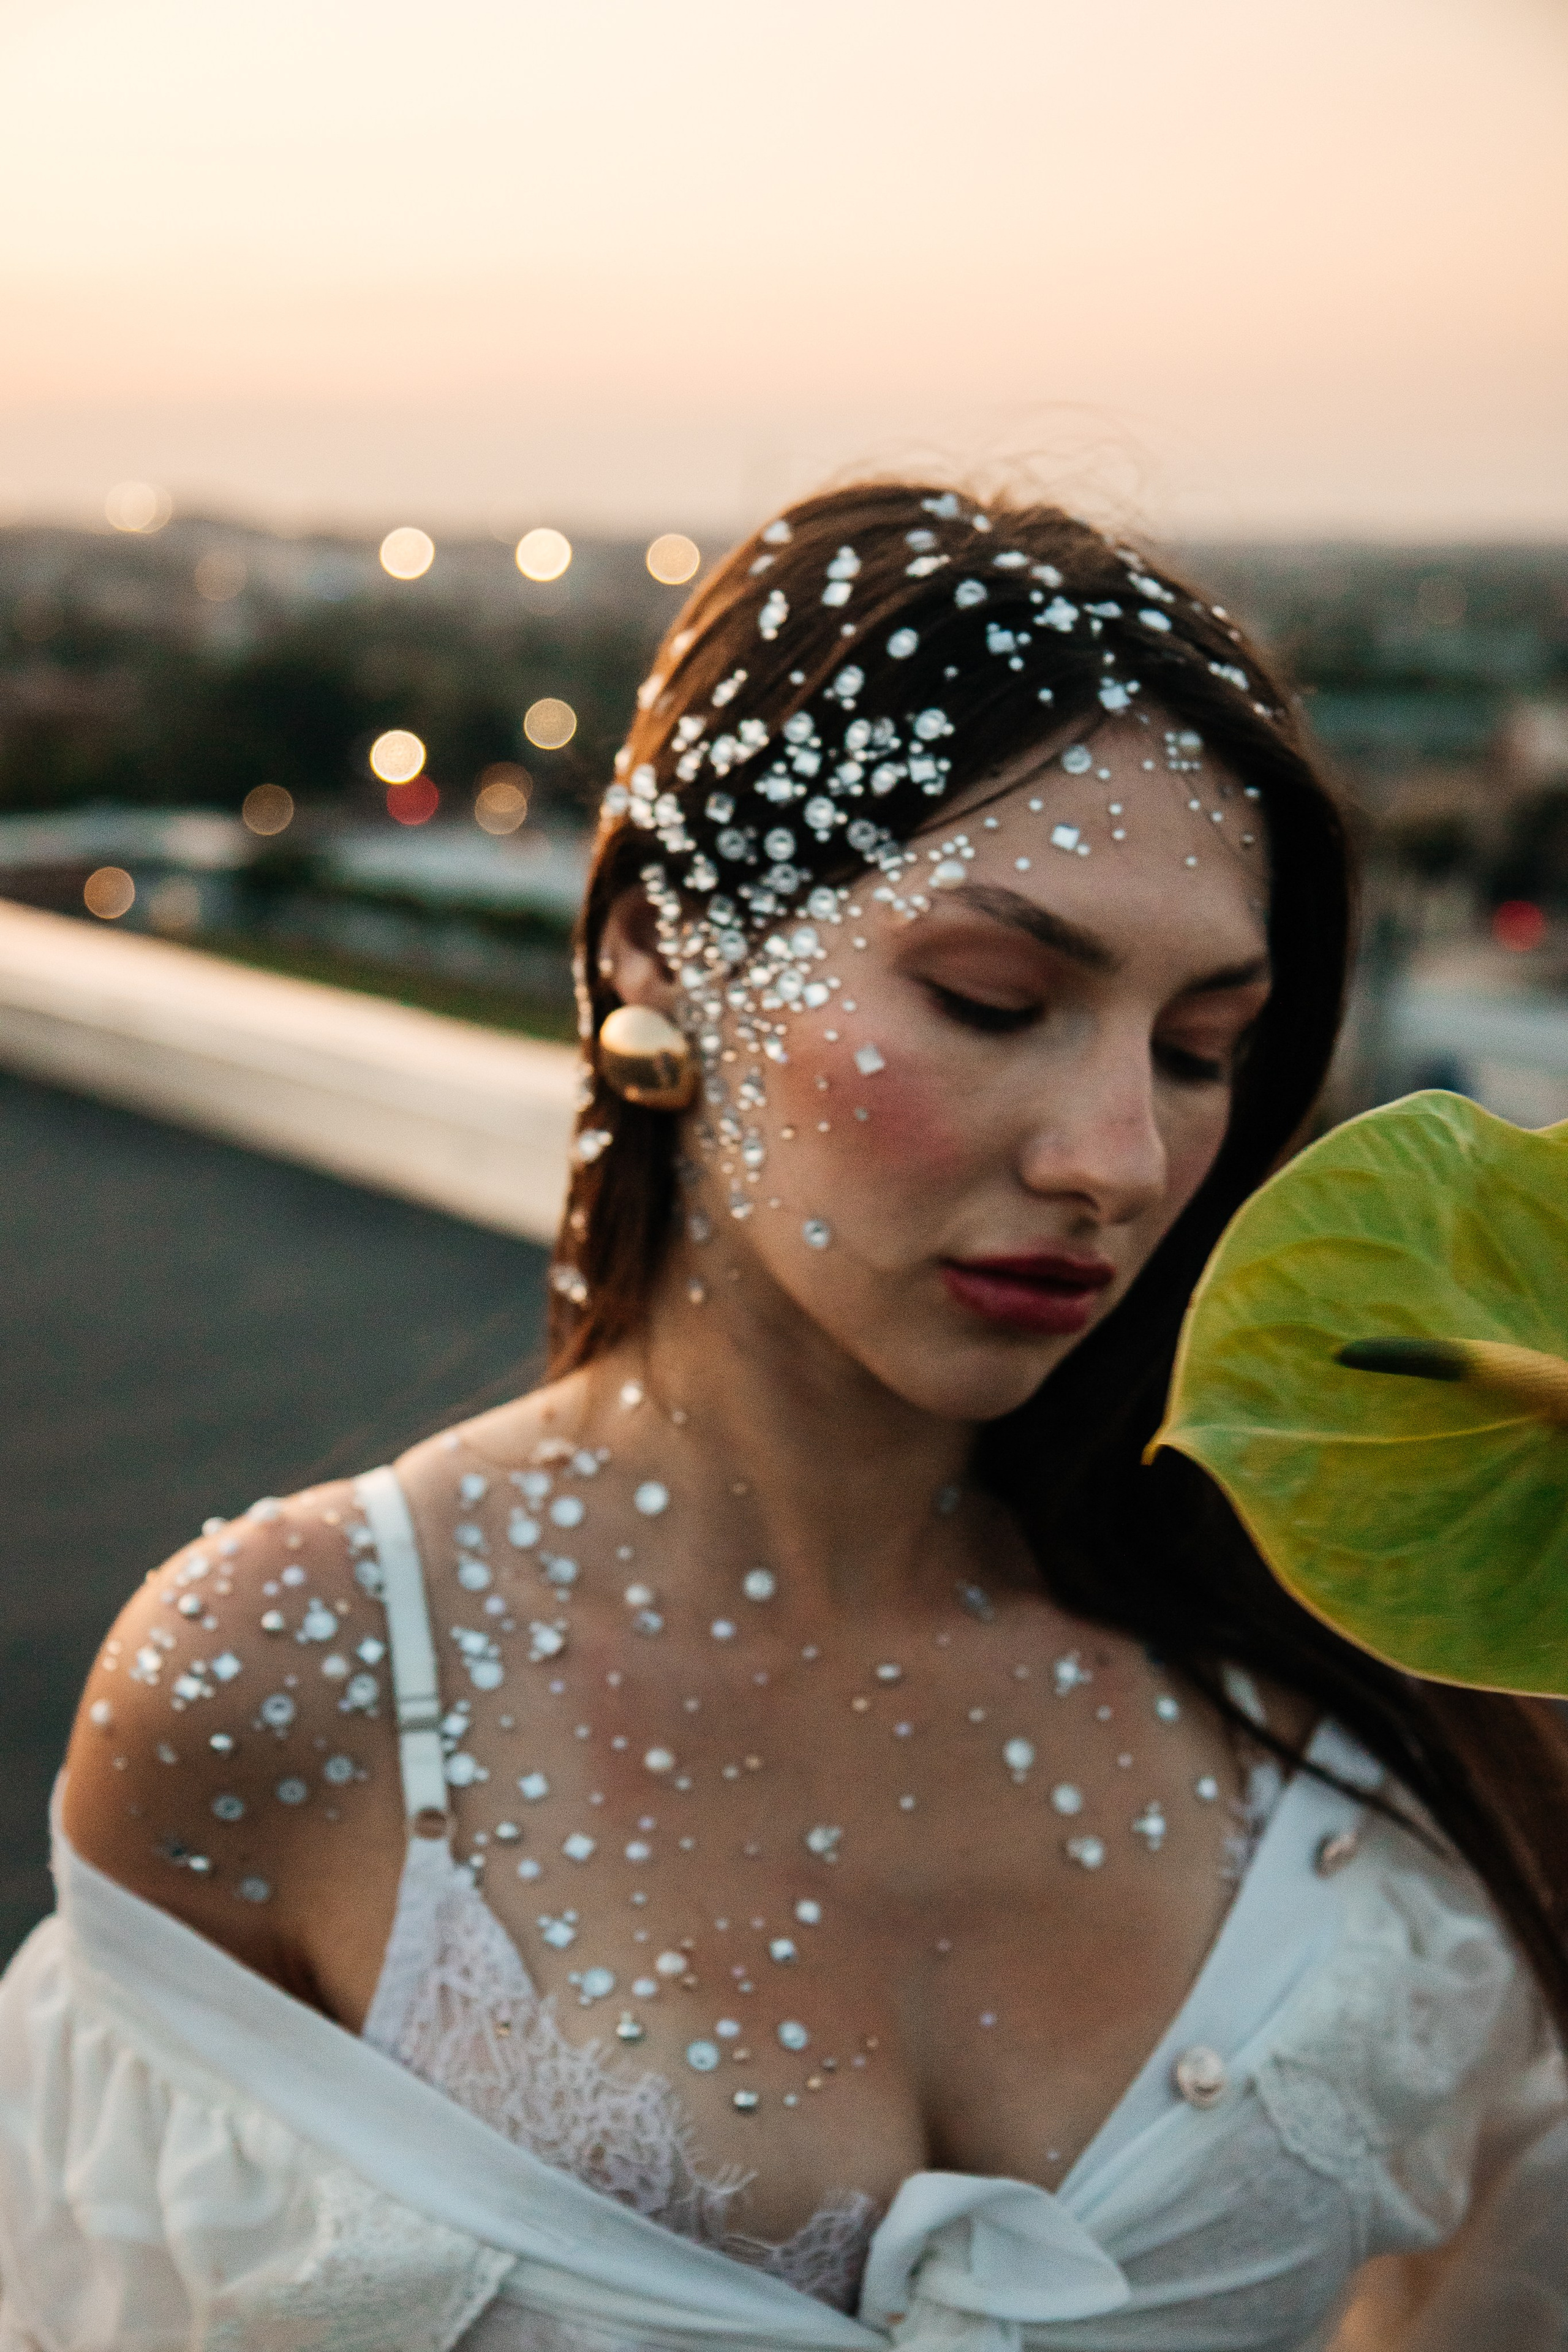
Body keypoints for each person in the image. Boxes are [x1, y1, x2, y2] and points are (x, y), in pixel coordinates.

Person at [3, 483, 1566, 2352]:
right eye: (996, 1000)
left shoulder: (1361, 1670)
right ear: (663, 953)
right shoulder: (281, 1688)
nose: (1119, 1161)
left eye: (1200, 1048)